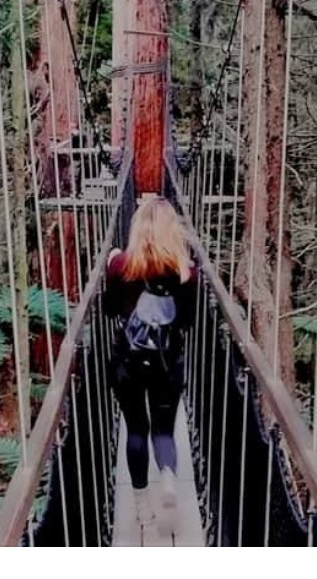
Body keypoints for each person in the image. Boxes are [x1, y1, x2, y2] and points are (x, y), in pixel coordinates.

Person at [103, 195, 198, 535]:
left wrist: (112, 266)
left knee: (136, 429)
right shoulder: (186, 272)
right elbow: (187, 321)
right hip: (167, 363)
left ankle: (142, 506)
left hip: (127, 363)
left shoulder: (121, 265)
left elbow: (110, 310)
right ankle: (169, 477)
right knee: (162, 429)